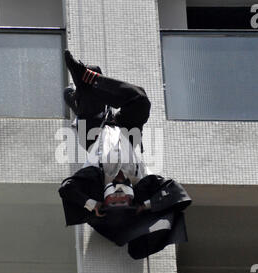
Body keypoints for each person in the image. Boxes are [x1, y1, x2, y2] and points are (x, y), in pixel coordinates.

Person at [58, 50, 192, 259]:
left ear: (105, 198)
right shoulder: (141, 178)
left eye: (114, 200)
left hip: (93, 132)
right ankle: (86, 88)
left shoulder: (95, 176)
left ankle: (83, 90)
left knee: (91, 86)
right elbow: (176, 192)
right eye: (124, 199)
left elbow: (67, 189)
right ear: (132, 200)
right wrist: (146, 205)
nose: (119, 193)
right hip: (127, 131)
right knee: (140, 100)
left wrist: (92, 205)